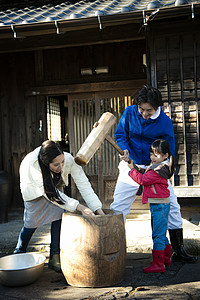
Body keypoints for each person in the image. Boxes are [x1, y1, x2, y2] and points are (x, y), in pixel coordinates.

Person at [110, 86, 197, 264]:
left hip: (155, 169)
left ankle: (178, 250)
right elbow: (120, 135)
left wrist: (164, 171)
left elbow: (170, 150)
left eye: (148, 110)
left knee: (172, 206)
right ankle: (113, 248)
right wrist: (125, 150)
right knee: (118, 206)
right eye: (141, 109)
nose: (144, 113)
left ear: (157, 107)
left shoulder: (164, 122)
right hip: (130, 165)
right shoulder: (129, 112)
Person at [14, 140, 104, 272]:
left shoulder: (67, 158)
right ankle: (19, 250)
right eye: (56, 165)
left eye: (62, 162)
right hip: (34, 188)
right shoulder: (34, 166)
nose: (61, 166)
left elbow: (83, 184)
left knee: (58, 215)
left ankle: (54, 256)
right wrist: (80, 207)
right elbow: (52, 195)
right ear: (46, 163)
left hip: (54, 188)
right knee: (31, 222)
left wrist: (98, 209)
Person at [128, 139, 174, 273]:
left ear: (165, 156)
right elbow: (145, 170)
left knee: (157, 234)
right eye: (151, 154)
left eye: (156, 155)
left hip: (159, 205)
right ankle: (165, 259)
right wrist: (133, 165)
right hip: (160, 203)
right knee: (161, 232)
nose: (153, 157)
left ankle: (158, 264)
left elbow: (142, 180)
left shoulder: (160, 169)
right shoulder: (159, 166)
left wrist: (131, 171)